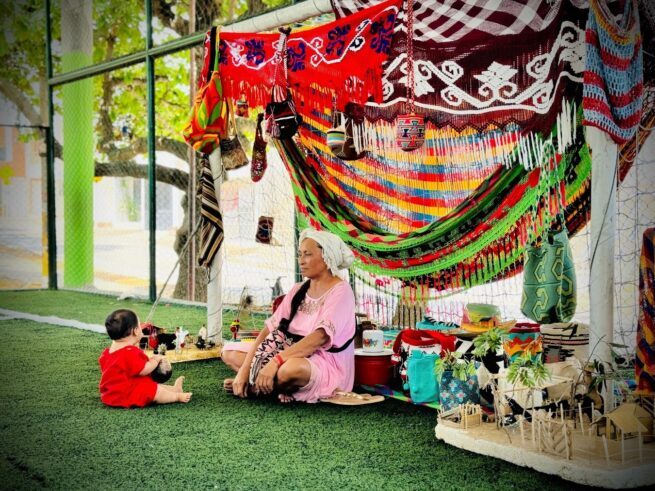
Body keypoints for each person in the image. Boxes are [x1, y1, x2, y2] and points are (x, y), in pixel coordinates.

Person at [222, 228, 356, 403]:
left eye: (307, 254)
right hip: (287, 350)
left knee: (289, 370)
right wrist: (244, 370)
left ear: (327, 256)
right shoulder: (298, 289)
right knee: (230, 352)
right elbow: (269, 329)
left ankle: (257, 386)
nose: (301, 261)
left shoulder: (341, 290)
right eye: (300, 254)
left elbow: (319, 338)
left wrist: (275, 362)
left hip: (323, 361)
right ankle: (262, 382)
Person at [99, 309, 192, 408]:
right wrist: (155, 360)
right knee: (154, 390)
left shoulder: (107, 353)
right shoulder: (130, 352)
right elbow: (143, 370)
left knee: (149, 385)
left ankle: (175, 389)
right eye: (139, 325)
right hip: (126, 394)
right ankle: (176, 396)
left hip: (111, 394)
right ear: (135, 331)